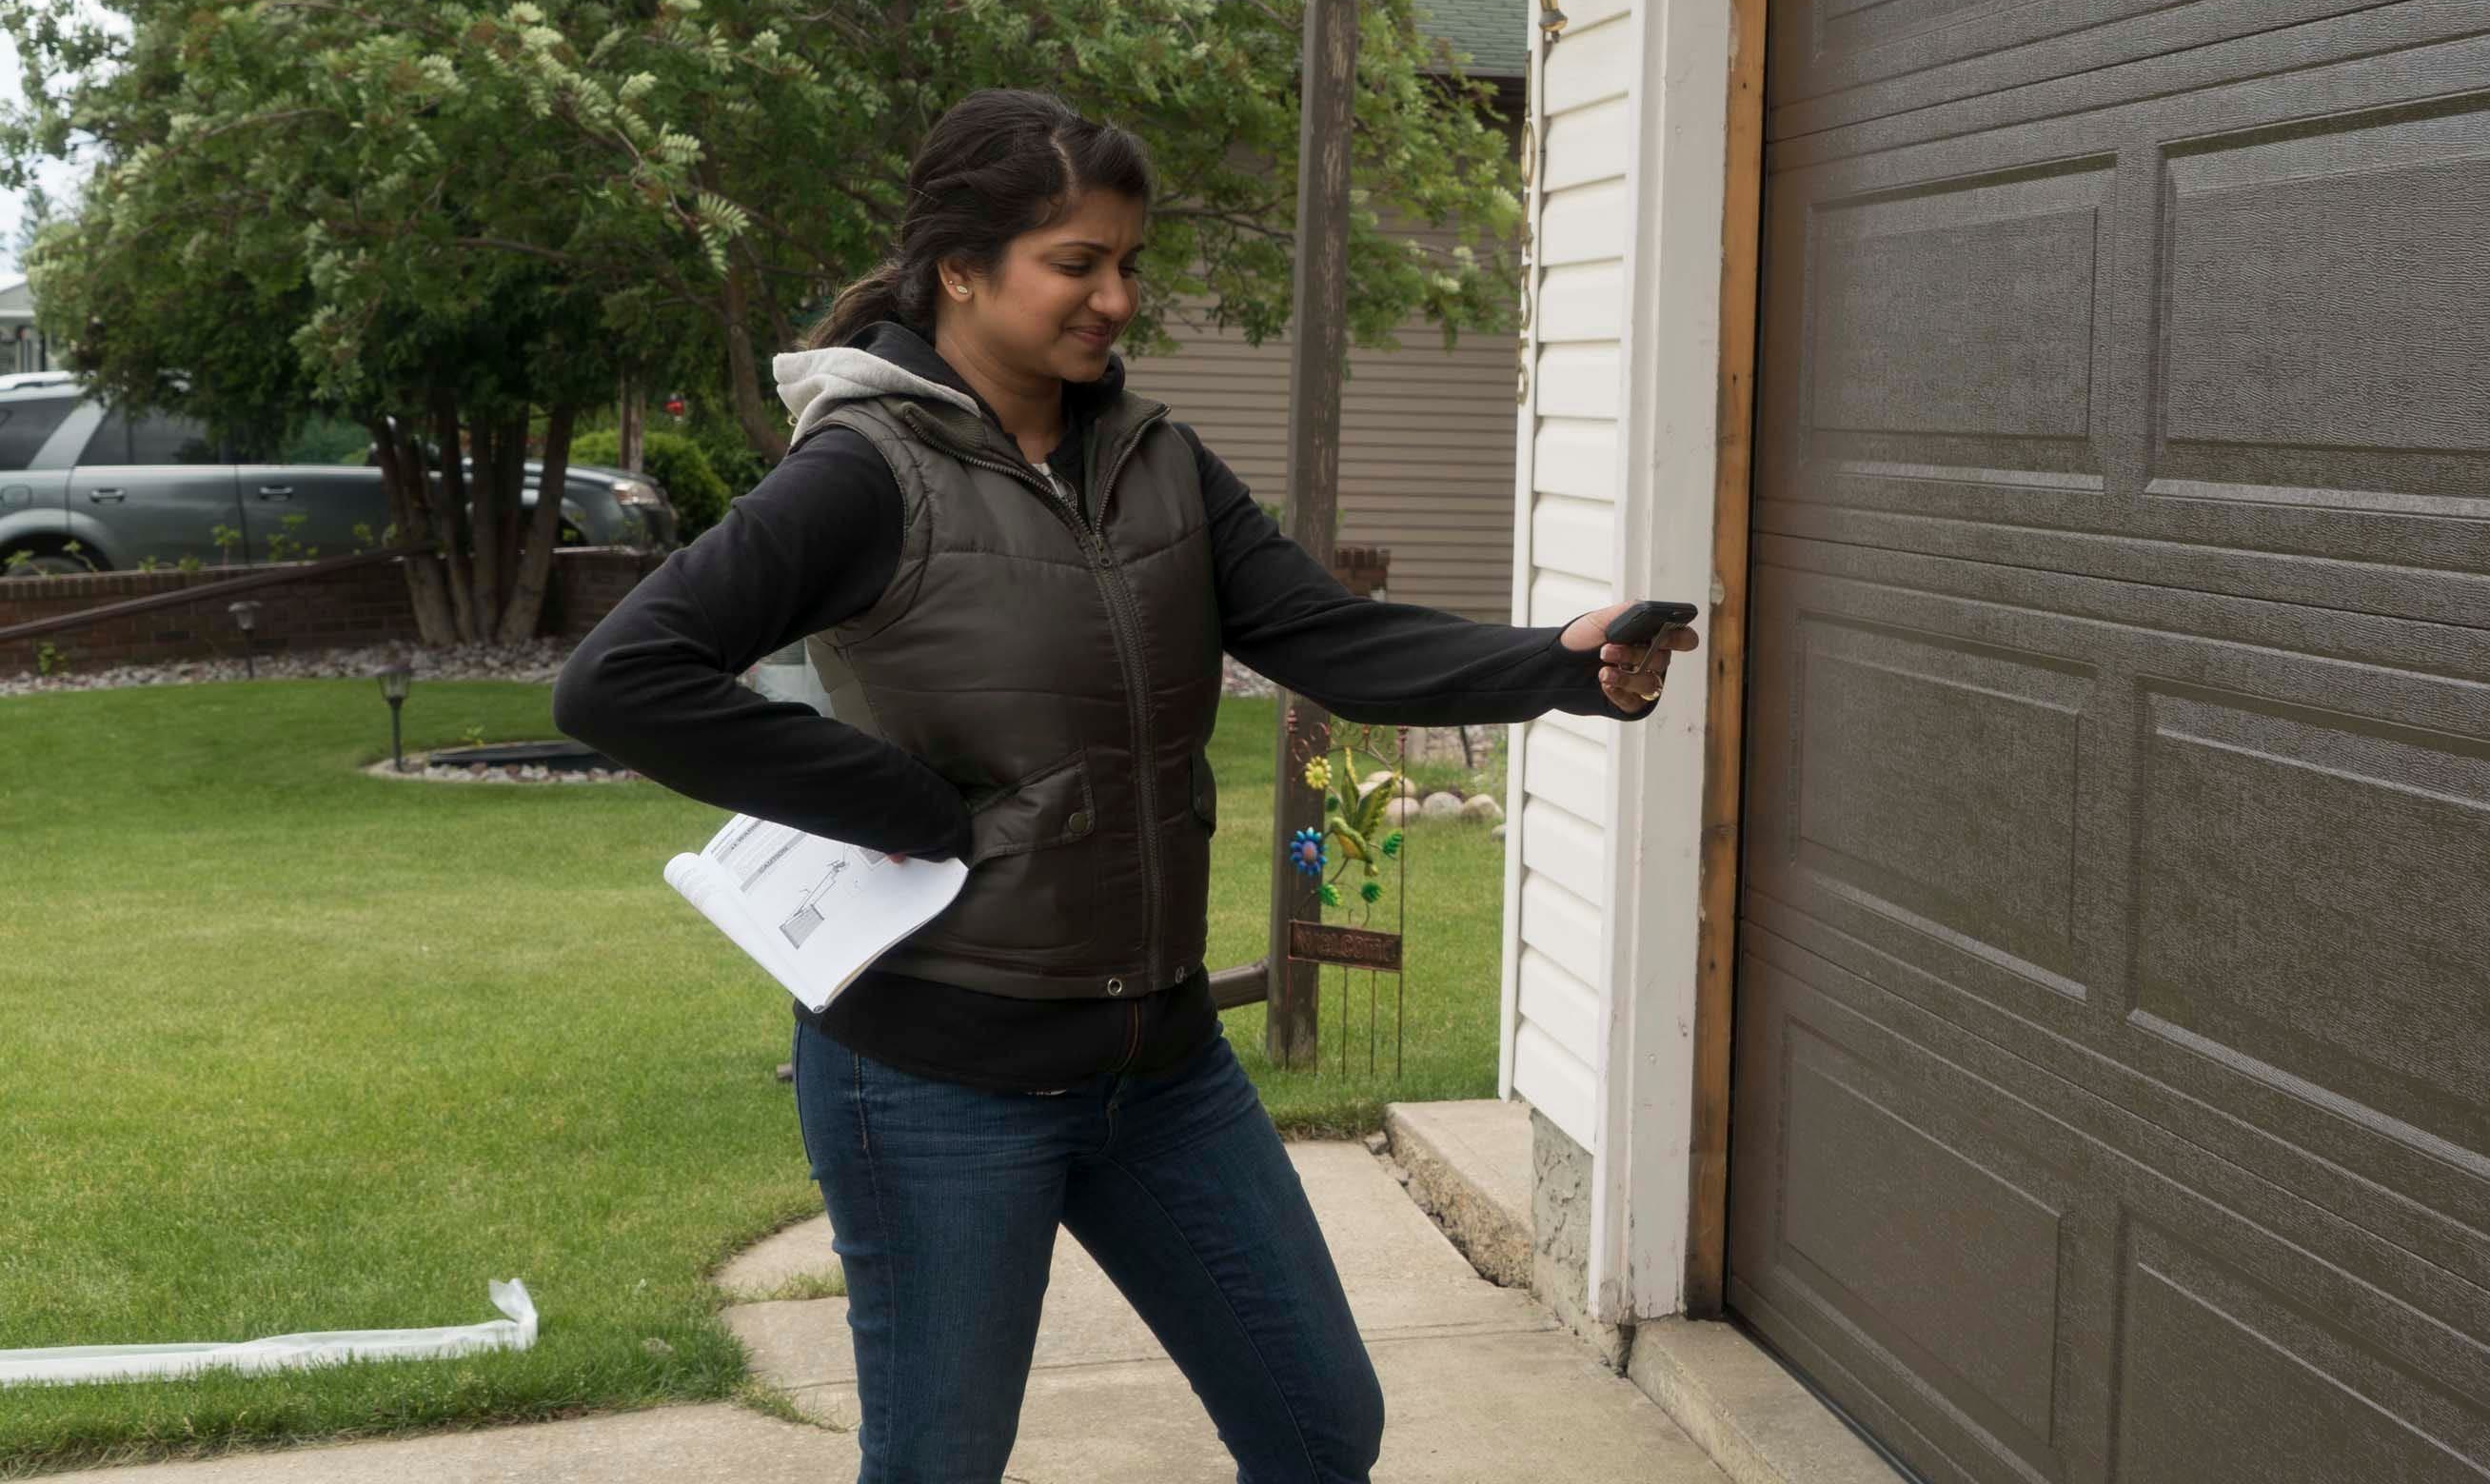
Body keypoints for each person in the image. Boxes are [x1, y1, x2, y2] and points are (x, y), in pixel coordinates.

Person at [550, 89, 1693, 1484]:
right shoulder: (863, 471)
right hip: (936, 1075)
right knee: (937, 1467)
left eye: (1127, 263)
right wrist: (905, 806)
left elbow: (1319, 635)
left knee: (1318, 1425)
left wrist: (1558, 664)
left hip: (1158, 1065)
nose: (1115, 298)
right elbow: (622, 681)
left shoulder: (1154, 460)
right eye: (1076, 263)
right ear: (961, 269)